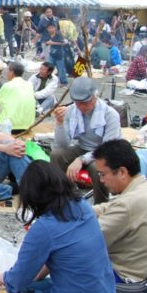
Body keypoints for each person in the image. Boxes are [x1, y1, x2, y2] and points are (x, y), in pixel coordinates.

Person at [0, 161, 115, 292]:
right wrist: (40, 273)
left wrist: (5, 278)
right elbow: (66, 248)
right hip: (106, 288)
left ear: (33, 196)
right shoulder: (83, 205)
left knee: (18, 288)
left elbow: (18, 281)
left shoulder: (44, 228)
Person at [92, 140, 147, 282]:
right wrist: (81, 210)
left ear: (122, 172)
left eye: (102, 174)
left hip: (133, 283)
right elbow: (109, 207)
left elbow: (87, 238)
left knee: (72, 259)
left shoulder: (129, 204)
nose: (101, 180)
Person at [51, 76, 122, 204]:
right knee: (56, 155)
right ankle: (67, 196)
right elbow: (62, 144)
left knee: (98, 168)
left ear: (95, 96)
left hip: (104, 152)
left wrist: (81, 159)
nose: (82, 107)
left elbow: (108, 148)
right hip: (82, 147)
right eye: (78, 103)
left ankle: (101, 204)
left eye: (86, 102)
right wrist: (60, 124)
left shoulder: (110, 114)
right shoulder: (72, 111)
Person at [0, 61, 36, 133]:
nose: (7, 73)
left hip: (10, 127)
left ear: (12, 72)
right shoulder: (29, 85)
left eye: (8, 71)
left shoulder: (8, 85)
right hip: (28, 126)